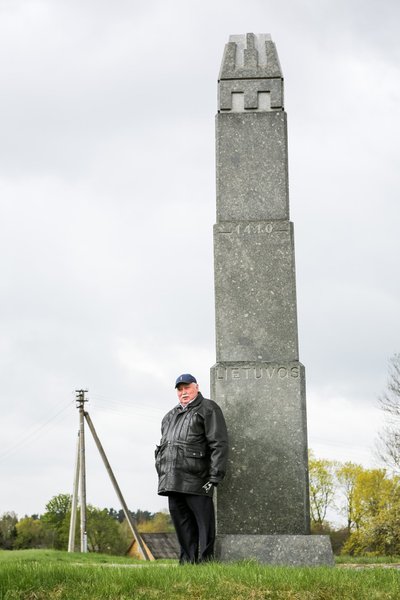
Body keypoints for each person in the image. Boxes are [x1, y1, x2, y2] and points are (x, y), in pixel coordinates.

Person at [155, 373, 228, 564]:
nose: (183, 392)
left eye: (187, 387)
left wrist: (215, 475)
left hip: (198, 479)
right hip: (172, 480)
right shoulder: (169, 416)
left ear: (196, 387)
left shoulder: (208, 408)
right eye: (180, 389)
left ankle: (206, 563)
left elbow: (218, 443)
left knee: (204, 525)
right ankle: (187, 563)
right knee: (182, 525)